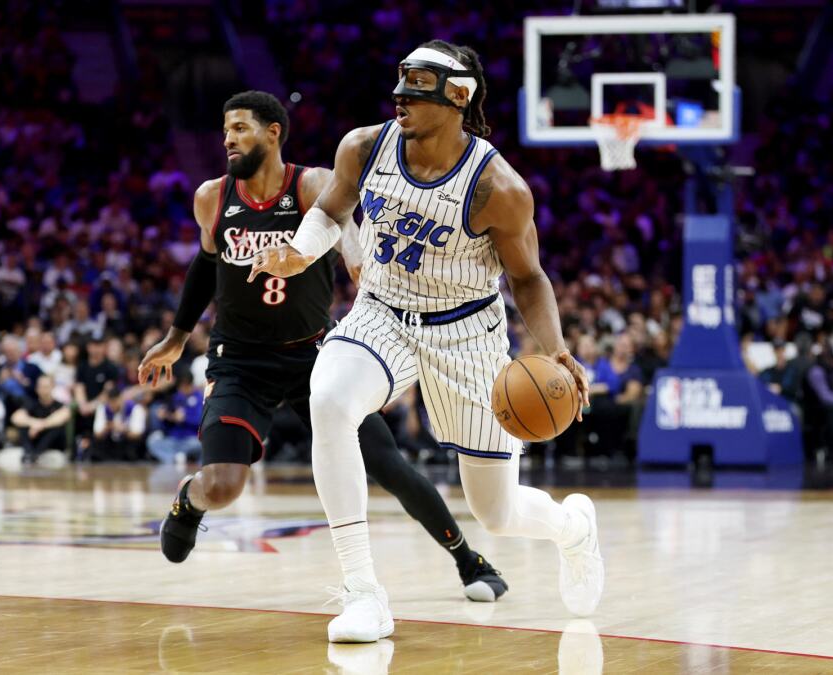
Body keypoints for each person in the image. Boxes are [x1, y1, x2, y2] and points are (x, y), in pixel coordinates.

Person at [249, 40, 600, 643]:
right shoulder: (364, 147)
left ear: (458, 96)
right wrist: (300, 251)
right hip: (381, 313)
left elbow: (528, 278)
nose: (400, 97)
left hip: (467, 333)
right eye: (401, 82)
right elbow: (331, 211)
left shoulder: (499, 188)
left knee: (496, 513)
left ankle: (573, 528)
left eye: (416, 87)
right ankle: (363, 592)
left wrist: (554, 348)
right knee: (328, 400)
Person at [139, 90, 506, 605]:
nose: (228, 139)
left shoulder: (310, 184)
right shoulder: (211, 197)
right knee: (222, 486)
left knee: (388, 464)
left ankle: (468, 558)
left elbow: (343, 224)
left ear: (273, 133)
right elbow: (205, 265)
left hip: (313, 354)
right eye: (225, 130)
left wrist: (357, 260)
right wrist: (176, 338)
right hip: (240, 360)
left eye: (240, 128)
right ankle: (189, 499)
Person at [10, 374, 71, 461]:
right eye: (41, 386)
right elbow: (15, 417)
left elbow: (64, 416)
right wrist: (34, 423)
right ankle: (28, 453)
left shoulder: (59, 405)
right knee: (23, 427)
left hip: (54, 444)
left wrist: (41, 426)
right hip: (35, 439)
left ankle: (36, 454)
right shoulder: (32, 404)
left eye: (46, 387)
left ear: (53, 387)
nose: (43, 389)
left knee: (56, 428)